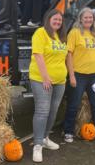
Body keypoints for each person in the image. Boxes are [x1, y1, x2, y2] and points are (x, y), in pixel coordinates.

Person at [63, 7, 95, 145]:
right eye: (86, 18)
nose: (88, 20)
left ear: (93, 20)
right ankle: (68, 131)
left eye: (91, 18)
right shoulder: (75, 33)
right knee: (74, 104)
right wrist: (71, 75)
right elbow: (69, 55)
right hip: (79, 75)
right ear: (81, 19)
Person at [29, 9, 68, 163]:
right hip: (41, 79)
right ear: (48, 19)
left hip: (60, 80)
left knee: (53, 110)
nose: (57, 22)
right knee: (42, 111)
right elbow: (38, 55)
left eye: (60, 20)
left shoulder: (61, 36)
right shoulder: (40, 33)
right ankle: (37, 145)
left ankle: (45, 138)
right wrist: (46, 78)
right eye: (55, 19)